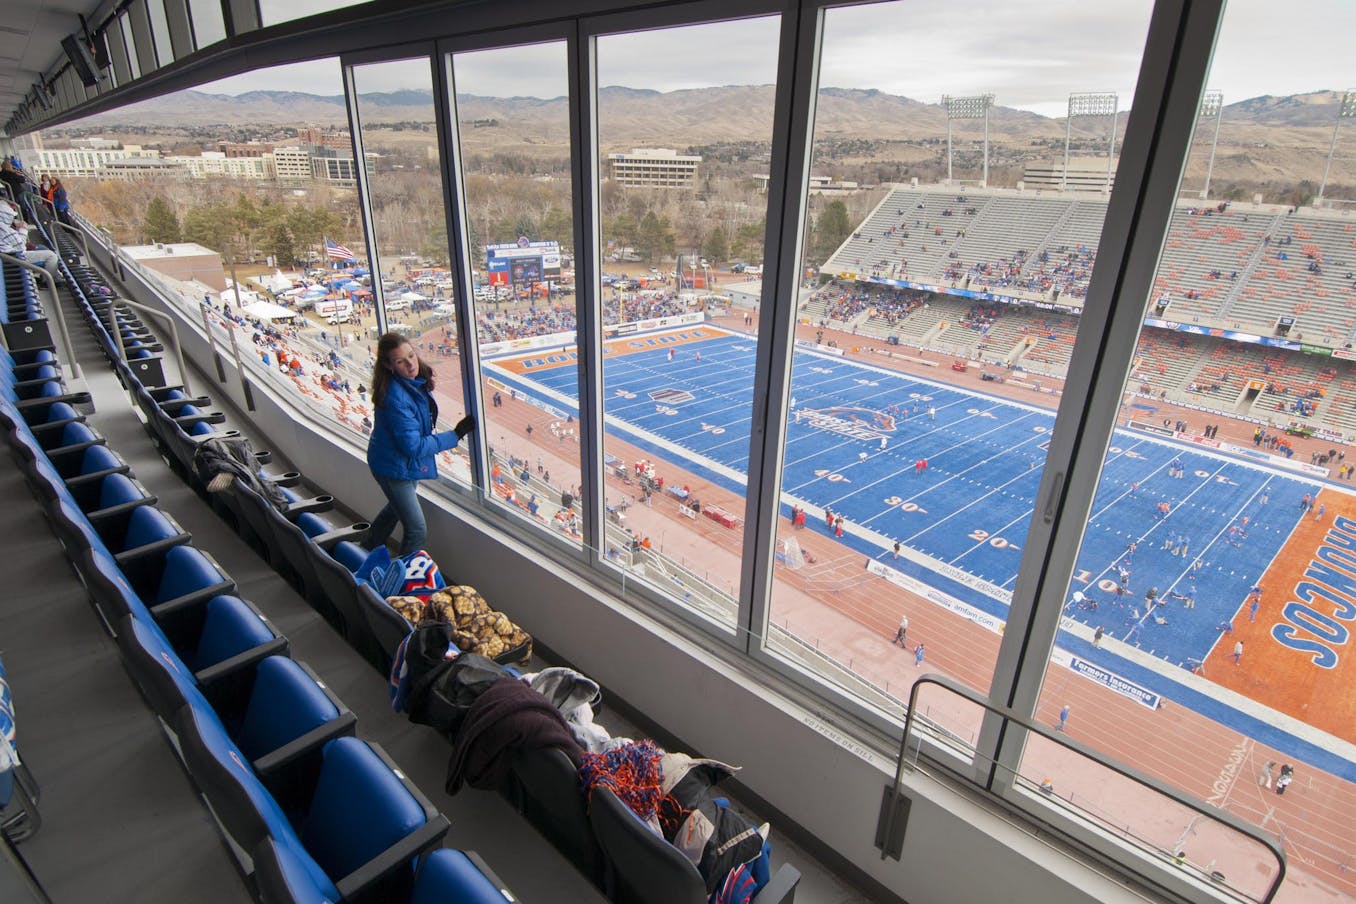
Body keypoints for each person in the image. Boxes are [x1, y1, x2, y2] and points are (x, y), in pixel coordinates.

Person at [364, 332, 475, 555]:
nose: (410, 364)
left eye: (411, 356)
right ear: (388, 366)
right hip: (393, 468)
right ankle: (398, 584)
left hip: (398, 463)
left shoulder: (411, 383)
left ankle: (366, 549)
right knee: (417, 530)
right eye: (400, 361)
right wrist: (455, 435)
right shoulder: (395, 397)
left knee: (394, 510)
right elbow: (413, 447)